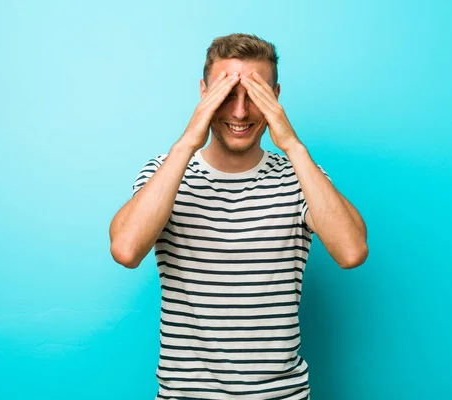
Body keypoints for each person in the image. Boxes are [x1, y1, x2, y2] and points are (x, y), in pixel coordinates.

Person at [109, 33, 368, 400]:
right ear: (204, 94)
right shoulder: (164, 174)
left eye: (256, 95)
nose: (240, 112)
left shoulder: (301, 178)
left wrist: (292, 145)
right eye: (227, 94)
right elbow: (125, 249)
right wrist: (186, 143)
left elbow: (352, 251)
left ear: (275, 98)